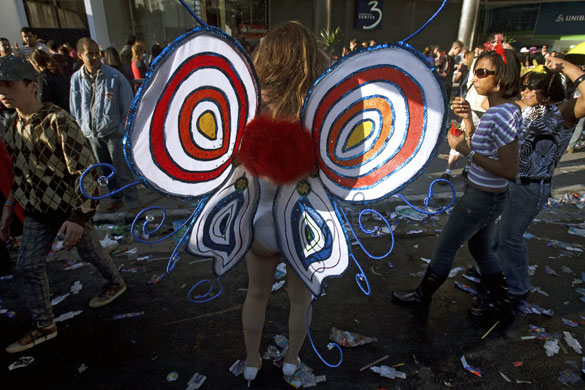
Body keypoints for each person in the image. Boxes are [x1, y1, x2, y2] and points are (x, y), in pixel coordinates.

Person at [0, 56, 127, 353]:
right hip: (36, 211)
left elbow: (87, 174)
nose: (3, 92)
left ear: (32, 86)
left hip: (70, 211)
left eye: (9, 85)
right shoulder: (12, 125)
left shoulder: (59, 121)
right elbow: (21, 173)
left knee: (91, 252)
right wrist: (9, 207)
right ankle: (45, 325)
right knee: (27, 265)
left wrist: (78, 219)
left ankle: (116, 282)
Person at [392, 48, 522, 323]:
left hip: (482, 198)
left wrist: (466, 151)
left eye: (482, 72)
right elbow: (484, 146)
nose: (475, 78)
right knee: (481, 250)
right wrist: (467, 120)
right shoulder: (499, 111)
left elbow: (510, 169)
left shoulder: (502, 114)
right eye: (475, 71)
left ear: (501, 78)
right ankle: (502, 302)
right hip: (485, 196)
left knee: (445, 245)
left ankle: (422, 296)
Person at [241, 21, 329, 382]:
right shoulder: (318, 112)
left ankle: (251, 361)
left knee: (257, 292)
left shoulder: (248, 105)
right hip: (303, 224)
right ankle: (291, 359)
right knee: (300, 300)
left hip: (259, 222)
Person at [499, 57, 585, 302]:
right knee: (498, 234)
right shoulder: (528, 108)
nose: (524, 91)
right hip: (511, 182)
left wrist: (564, 66)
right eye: (523, 87)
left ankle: (518, 288)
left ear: (547, 91)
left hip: (531, 188)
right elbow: (492, 99)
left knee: (510, 238)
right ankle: (494, 271)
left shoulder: (563, 112)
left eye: (530, 87)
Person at [70, 38, 140, 213]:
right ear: (80, 55)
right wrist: (81, 129)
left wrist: (122, 130)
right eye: (89, 54)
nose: (94, 57)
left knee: (122, 169)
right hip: (91, 134)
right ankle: (115, 197)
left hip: (113, 133)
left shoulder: (114, 77)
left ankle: (132, 202)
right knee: (103, 170)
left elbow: (128, 106)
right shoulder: (76, 79)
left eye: (96, 53)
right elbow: (75, 107)